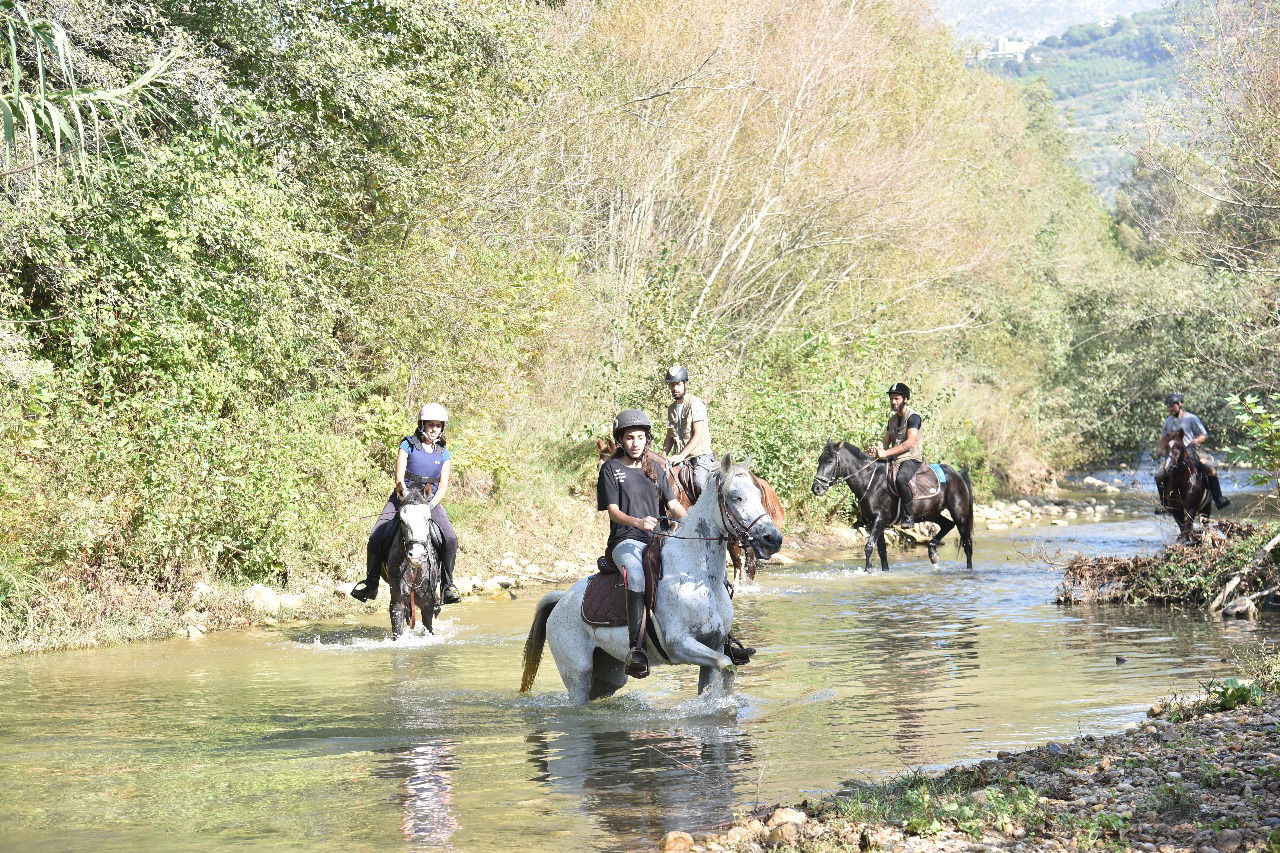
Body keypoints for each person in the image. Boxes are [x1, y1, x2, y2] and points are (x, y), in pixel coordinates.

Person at [598, 409, 687, 678]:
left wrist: (694, 522)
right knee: (636, 577)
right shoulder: (611, 469)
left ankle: (722, 636)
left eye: (640, 437)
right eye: (629, 438)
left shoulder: (655, 468)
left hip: (659, 539)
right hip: (625, 541)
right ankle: (636, 649)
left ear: (646, 439)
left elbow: (672, 506)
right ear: (621, 440)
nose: (635, 442)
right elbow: (613, 511)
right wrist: (637, 522)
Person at [352, 403, 462, 605]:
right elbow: (399, 478)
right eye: (431, 424)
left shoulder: (443, 453)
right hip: (403, 498)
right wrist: (406, 499)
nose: (434, 429)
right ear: (422, 424)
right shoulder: (408, 445)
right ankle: (371, 583)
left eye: (438, 425)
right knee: (376, 535)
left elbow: (444, 485)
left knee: (451, 538)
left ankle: (447, 586)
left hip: (429, 502)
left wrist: (429, 505)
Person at [1154, 393, 1231, 512]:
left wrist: (1196, 440)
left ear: (1180, 404)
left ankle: (1218, 498)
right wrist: (1160, 449)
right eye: (1168, 406)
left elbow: (1204, 434)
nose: (1170, 408)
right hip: (1173, 453)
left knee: (1210, 467)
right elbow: (1164, 438)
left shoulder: (1191, 418)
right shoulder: (1168, 421)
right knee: (1159, 475)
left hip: (1190, 451)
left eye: (1172, 405)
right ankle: (1164, 503)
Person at [662, 365, 717, 499]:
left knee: (699, 482)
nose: (674, 388)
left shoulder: (695, 404)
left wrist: (681, 456)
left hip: (700, 456)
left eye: (678, 384)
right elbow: (669, 436)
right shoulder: (671, 409)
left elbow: (698, 435)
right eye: (671, 385)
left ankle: (708, 514)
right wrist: (663, 455)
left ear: (685, 383)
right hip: (679, 458)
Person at [874, 382, 924, 527]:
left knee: (901, 479)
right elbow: (885, 444)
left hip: (911, 459)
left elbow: (910, 443)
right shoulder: (892, 420)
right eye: (892, 399)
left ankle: (909, 516)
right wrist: (877, 450)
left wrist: (886, 452)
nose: (893, 402)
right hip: (894, 459)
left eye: (897, 399)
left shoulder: (914, 417)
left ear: (905, 399)